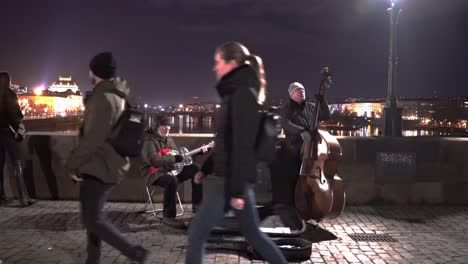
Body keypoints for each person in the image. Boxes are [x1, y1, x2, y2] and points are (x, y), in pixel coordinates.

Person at [186, 42, 287, 264]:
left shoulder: (241, 94)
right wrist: (206, 168)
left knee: (196, 234)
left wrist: (238, 191)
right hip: (233, 179)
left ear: (231, 64)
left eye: (218, 62)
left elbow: (242, 145)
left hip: (231, 181)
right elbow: (226, 142)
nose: (215, 68)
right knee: (254, 235)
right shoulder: (236, 93)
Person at [65, 52, 150, 264]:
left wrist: (72, 165)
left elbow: (93, 139)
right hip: (107, 163)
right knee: (92, 218)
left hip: (100, 164)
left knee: (93, 220)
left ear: (95, 72)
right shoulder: (118, 95)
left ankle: (134, 252)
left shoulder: (102, 98)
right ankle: (92, 260)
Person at [270, 81, 330, 205]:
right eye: (298, 90)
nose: (302, 91)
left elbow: (325, 115)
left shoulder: (311, 106)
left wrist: (322, 100)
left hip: (310, 149)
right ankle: (292, 204)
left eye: (303, 89)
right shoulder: (286, 108)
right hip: (294, 149)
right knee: (294, 178)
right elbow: (285, 123)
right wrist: (301, 131)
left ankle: (310, 203)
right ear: (292, 94)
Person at [141, 117, 206, 228]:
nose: (167, 128)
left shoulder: (169, 139)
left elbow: (180, 159)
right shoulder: (149, 141)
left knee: (196, 169)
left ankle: (197, 207)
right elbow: (153, 160)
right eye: (164, 126)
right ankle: (168, 217)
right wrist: (175, 159)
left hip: (171, 170)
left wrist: (198, 153)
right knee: (172, 180)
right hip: (155, 173)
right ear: (156, 127)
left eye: (169, 126)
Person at [0, 71, 37, 207]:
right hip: (8, 134)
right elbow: (14, 115)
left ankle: (1, 197)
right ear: (8, 82)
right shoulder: (9, 95)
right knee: (17, 165)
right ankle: (23, 197)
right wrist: (19, 128)